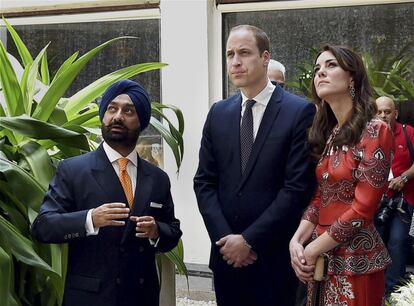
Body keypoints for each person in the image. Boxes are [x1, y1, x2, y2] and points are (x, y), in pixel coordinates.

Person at [194, 24, 316, 306]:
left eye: (244, 53)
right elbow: (204, 182)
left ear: (265, 58)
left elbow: (296, 188)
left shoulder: (298, 112)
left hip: (273, 259)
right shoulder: (218, 113)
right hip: (227, 260)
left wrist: (249, 240)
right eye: (229, 54)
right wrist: (226, 239)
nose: (235, 62)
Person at [31, 79, 182, 306]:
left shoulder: (158, 178)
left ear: (141, 121)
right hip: (91, 297)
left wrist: (156, 230)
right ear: (103, 116)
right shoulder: (72, 170)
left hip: (142, 296)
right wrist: (90, 218)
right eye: (112, 109)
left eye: (128, 110)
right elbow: (43, 227)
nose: (118, 116)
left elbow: (173, 231)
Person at [289, 45, 394, 306]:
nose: (320, 72)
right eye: (317, 69)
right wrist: (297, 241)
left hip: (356, 260)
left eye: (331, 65)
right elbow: (320, 197)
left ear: (352, 78)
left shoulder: (376, 130)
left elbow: (363, 209)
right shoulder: (332, 134)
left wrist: (313, 248)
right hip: (322, 258)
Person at [375, 96, 414, 297]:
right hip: (376, 203)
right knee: (377, 244)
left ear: (395, 113)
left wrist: (404, 177)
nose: (383, 115)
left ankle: (394, 294)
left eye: (387, 111)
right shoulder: (369, 135)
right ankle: (376, 293)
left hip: (402, 202)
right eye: (379, 111)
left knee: (397, 243)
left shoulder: (408, 132)